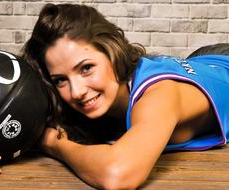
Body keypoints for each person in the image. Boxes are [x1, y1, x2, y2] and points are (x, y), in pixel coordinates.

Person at [23, 3, 229, 189]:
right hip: (201, 62)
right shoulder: (87, 95)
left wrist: (54, 144)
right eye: (60, 79)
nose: (77, 92)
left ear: (112, 52)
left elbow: (117, 174)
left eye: (86, 68)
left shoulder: (160, 94)